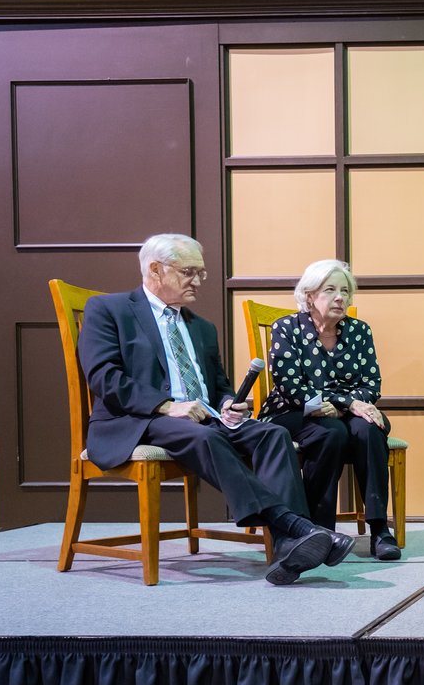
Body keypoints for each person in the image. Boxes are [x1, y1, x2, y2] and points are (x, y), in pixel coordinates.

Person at [78, 233, 354, 585]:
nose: (198, 281)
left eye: (201, 273)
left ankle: (287, 546)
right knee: (206, 438)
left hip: (203, 418)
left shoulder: (202, 327)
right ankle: (297, 527)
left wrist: (227, 403)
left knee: (272, 434)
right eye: (188, 272)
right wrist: (166, 406)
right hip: (138, 420)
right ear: (155, 269)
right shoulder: (109, 310)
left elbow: (219, 385)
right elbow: (103, 376)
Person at [258, 260, 399, 561]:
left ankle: (379, 529)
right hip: (293, 409)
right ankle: (319, 530)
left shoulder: (360, 331)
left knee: (369, 428)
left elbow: (371, 383)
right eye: (331, 290)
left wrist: (343, 406)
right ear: (309, 296)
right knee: (331, 433)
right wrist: (347, 402)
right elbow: (291, 386)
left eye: (345, 291)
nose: (340, 298)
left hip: (344, 413)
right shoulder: (287, 328)